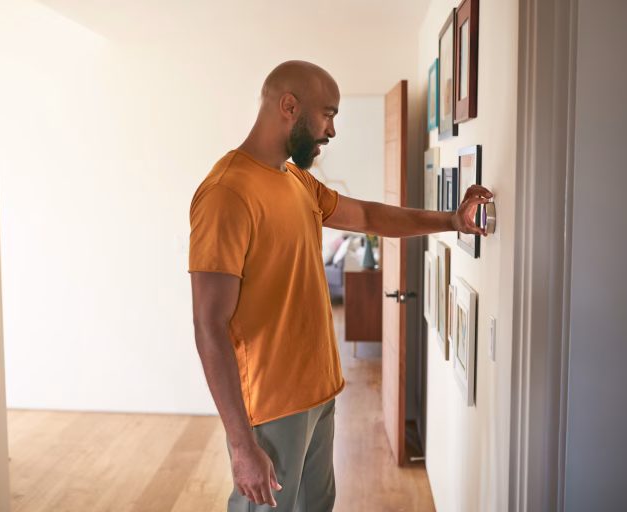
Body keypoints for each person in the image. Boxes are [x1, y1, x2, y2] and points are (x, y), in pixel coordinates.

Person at [188, 60, 491, 512]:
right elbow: (208, 326)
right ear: (289, 106)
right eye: (327, 114)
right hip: (271, 405)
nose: (331, 131)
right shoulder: (227, 192)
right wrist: (239, 444)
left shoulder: (297, 182)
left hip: (320, 393)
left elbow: (368, 216)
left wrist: (451, 220)